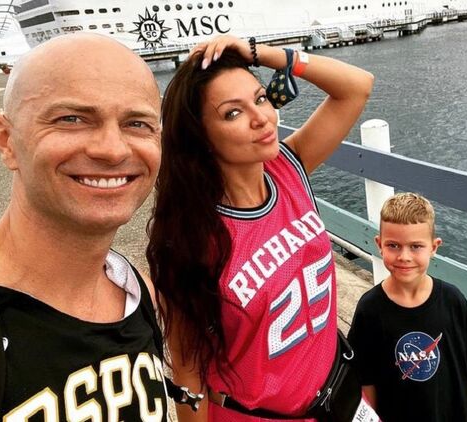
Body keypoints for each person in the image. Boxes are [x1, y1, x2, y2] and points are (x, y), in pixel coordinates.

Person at [147, 35, 376, 421]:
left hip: (338, 397)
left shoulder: (288, 168)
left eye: (261, 98)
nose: (262, 119)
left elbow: (357, 87)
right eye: (232, 113)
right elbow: (189, 371)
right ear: (200, 136)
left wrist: (261, 54)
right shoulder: (189, 238)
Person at [0, 34, 169, 420]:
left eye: (137, 123)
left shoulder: (137, 292)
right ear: (6, 139)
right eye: (72, 119)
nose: (113, 149)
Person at [348, 192, 467, 422]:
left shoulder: (453, 301)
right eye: (393, 245)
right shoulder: (370, 310)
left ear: (434, 247)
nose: (404, 256)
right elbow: (366, 381)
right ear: (379, 245)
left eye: (416, 246)